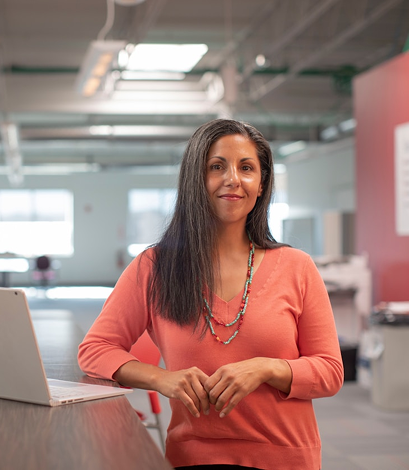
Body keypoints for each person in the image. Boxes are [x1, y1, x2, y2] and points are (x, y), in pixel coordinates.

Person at [78, 119, 343, 470]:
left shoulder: (297, 266)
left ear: (261, 184)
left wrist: (267, 368)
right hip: (193, 457)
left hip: (285, 457)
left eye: (246, 168)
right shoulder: (155, 267)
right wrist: (161, 378)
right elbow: (95, 350)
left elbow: (330, 371)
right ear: (196, 180)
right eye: (217, 166)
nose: (233, 179)